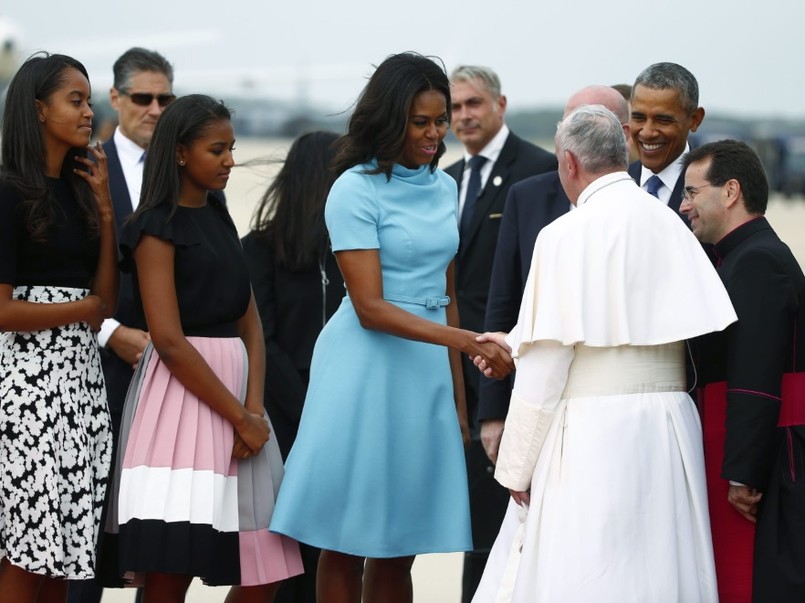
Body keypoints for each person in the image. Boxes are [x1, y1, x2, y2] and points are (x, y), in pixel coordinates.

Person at [269, 52, 512, 603]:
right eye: (419, 122)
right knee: (346, 540)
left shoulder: (442, 187)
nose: (434, 134)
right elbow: (370, 307)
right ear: (389, 119)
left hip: (425, 371)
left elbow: (445, 294)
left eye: (439, 120)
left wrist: (456, 397)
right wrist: (467, 342)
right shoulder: (353, 188)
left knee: (402, 543)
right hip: (364, 367)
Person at [472, 105, 737, 602]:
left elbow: (548, 365)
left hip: (594, 430)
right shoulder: (668, 224)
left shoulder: (563, 234)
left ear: (569, 163)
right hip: (669, 425)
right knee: (660, 569)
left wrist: (516, 467)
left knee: (590, 569)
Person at [98, 94, 303, 603]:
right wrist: (239, 415)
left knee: (267, 561)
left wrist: (254, 411)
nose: (231, 160)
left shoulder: (217, 213)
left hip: (240, 397)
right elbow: (166, 339)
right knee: (172, 569)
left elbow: (250, 322)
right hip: (178, 402)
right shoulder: (154, 227)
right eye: (218, 150)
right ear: (182, 153)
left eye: (232, 147)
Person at [0, 52, 117, 602]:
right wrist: (81, 310)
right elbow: (1, 312)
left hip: (82, 385)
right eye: (76, 99)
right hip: (27, 391)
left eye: (88, 99)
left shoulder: (79, 191)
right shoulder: (6, 191)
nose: (88, 110)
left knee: (62, 561)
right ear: (39, 109)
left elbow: (107, 299)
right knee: (25, 557)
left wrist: (107, 212)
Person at [442, 65, 557, 600]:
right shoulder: (444, 178)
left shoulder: (541, 172)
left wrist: (498, 402)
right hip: (451, 373)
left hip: (510, 374)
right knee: (465, 524)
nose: (462, 116)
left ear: (500, 104)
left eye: (473, 104)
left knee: (502, 528)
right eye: (454, 108)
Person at [71, 46, 175, 603]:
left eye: (165, 98)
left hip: (171, 372)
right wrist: (112, 333)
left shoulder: (190, 176)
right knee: (88, 527)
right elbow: (63, 272)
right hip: (96, 367)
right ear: (116, 99)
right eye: (143, 97)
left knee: (155, 528)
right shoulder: (82, 168)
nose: (155, 109)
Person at [478, 85, 629, 465]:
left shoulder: (644, 204)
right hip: (532, 396)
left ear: (621, 134)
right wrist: (494, 412)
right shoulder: (526, 197)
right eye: (570, 123)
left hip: (615, 405)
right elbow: (503, 301)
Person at [682, 140, 805, 603]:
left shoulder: (756, 260)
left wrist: (742, 473)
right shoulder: (742, 255)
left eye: (693, 192)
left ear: (730, 191)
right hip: (740, 437)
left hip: (765, 447)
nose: (684, 203)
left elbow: (755, 375)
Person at [241, 130, 344, 603]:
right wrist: (308, 409)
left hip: (342, 412)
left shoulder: (351, 251)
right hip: (285, 417)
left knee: (335, 551)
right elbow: (262, 338)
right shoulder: (260, 248)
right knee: (278, 558)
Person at [628, 62, 705, 216]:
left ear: (695, 119)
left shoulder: (714, 191)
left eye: (663, 120)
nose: (647, 132)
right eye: (639, 118)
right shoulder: (616, 186)